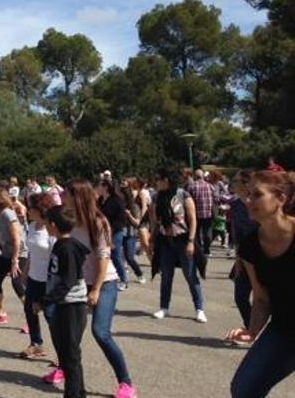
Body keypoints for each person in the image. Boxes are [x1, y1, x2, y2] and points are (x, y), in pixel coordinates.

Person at [62, 180, 138, 398]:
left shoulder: (98, 222)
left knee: (101, 332)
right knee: (70, 336)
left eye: (67, 195)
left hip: (104, 283)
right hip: (79, 284)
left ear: (78, 197)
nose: (64, 199)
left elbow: (104, 258)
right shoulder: (70, 221)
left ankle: (126, 383)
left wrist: (95, 289)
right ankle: (72, 379)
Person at [227, 171, 295, 397]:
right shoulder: (250, 245)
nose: (249, 201)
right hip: (283, 330)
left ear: (281, 199)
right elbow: (261, 298)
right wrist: (252, 330)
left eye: (257, 195)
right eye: (248, 195)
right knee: (244, 389)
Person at [43, 205, 90, 398]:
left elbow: (68, 280)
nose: (45, 226)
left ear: (53, 225)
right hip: (62, 305)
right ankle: (79, 392)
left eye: (47, 223)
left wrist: (47, 299)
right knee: (66, 354)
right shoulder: (59, 245)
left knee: (70, 356)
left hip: (73, 305)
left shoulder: (68, 248)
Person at [150, 168, 206, 323]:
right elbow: (154, 220)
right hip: (165, 241)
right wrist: (151, 239)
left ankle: (199, 309)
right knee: (166, 275)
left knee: (190, 275)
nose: (156, 182)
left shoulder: (183, 195)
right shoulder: (156, 197)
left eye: (158, 179)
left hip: (183, 239)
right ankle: (164, 307)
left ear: (166, 180)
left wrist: (191, 241)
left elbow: (193, 219)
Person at [21, 193, 56, 359]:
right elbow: (30, 252)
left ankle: (63, 354)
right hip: (34, 277)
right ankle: (36, 344)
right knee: (30, 311)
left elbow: (56, 257)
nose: (28, 210)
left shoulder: (51, 230)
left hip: (48, 280)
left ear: (40, 209)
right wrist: (26, 271)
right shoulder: (32, 226)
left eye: (31, 207)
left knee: (51, 316)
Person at [0, 189, 24, 326]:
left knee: (17, 283)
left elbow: (17, 239)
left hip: (20, 253)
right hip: (6, 252)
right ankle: (0, 312)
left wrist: (15, 260)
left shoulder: (7, 214)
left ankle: (31, 319)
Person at [228, 171, 258, 329]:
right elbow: (236, 234)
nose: (233, 183)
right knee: (240, 297)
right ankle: (252, 327)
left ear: (246, 184)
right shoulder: (236, 204)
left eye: (236, 180)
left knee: (267, 299)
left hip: (262, 257)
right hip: (244, 256)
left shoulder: (259, 203)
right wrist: (238, 259)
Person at [97, 180, 132, 290]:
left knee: (116, 255)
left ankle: (124, 279)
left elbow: (121, 219)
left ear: (106, 187)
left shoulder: (117, 200)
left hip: (115, 231)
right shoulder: (100, 200)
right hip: (103, 232)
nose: (98, 188)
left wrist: (111, 230)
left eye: (99, 186)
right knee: (106, 255)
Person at [187, 169, 216, 257]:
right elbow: (216, 198)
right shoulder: (210, 186)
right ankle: (207, 250)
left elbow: (189, 200)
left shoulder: (191, 187)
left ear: (195, 176)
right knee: (207, 232)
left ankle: (199, 249)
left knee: (196, 232)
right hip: (208, 213)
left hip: (196, 213)